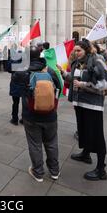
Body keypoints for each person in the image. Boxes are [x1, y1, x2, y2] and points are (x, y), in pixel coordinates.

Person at [60, 39, 107, 181]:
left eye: (79, 50)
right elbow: (74, 78)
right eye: (75, 50)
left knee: (96, 135)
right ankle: (85, 154)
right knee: (83, 130)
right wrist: (63, 73)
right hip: (80, 103)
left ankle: (101, 170)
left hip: (93, 105)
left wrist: (84, 84)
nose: (76, 53)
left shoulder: (97, 61)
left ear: (87, 50)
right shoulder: (78, 62)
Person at [22, 46, 62, 182]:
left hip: (31, 115)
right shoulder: (49, 70)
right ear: (40, 54)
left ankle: (38, 172)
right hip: (50, 115)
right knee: (51, 142)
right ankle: (54, 171)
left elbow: (17, 90)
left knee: (35, 144)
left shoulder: (24, 71)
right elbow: (59, 88)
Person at [7, 49, 27, 126]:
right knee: (24, 103)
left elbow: (8, 69)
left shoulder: (13, 60)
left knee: (15, 102)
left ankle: (15, 119)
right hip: (24, 84)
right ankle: (23, 119)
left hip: (15, 83)